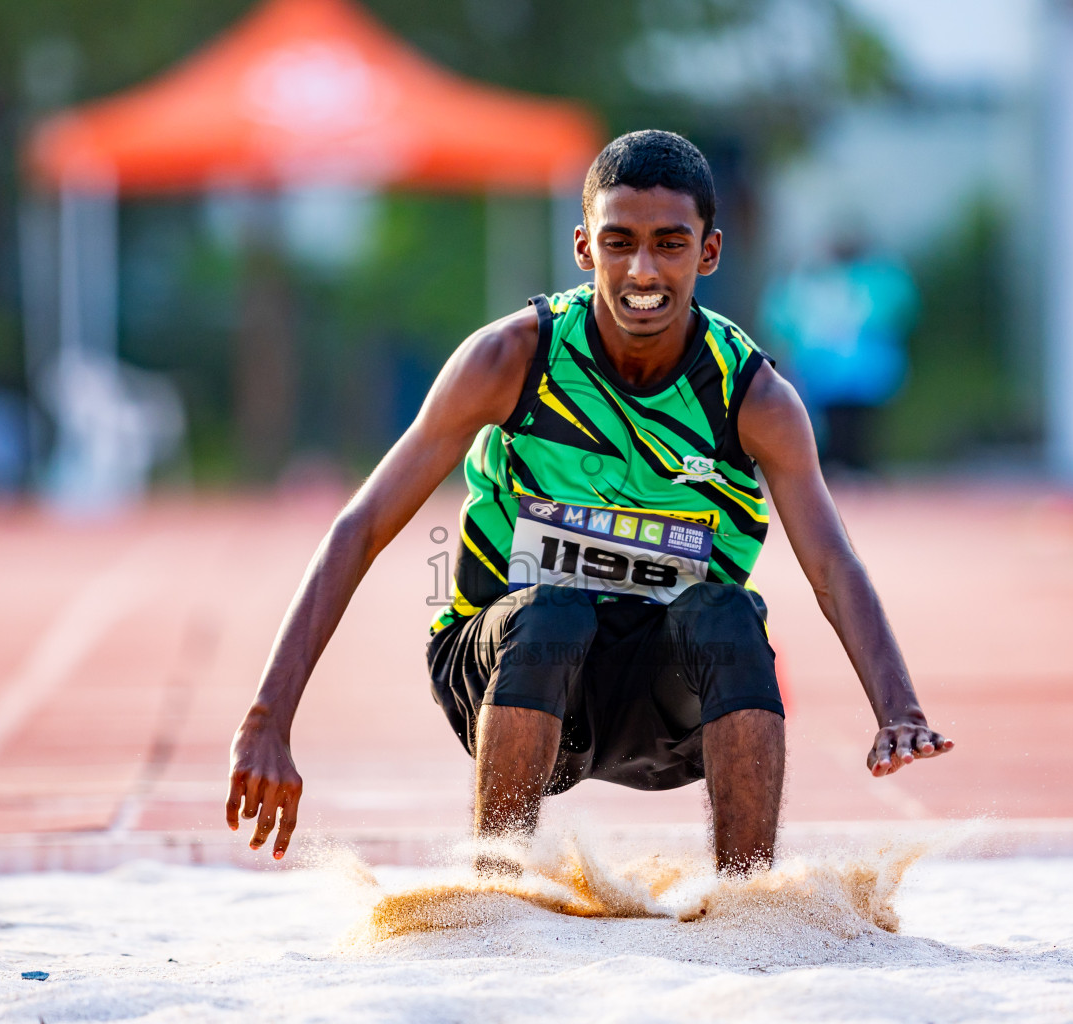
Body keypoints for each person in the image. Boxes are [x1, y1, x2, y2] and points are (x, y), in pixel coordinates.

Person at [225, 131, 952, 873]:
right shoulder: (511, 360)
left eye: (670, 244)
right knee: (555, 609)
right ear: (583, 248)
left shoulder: (754, 397)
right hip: (507, 668)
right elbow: (362, 527)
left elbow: (831, 564)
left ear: (708, 253)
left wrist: (898, 707)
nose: (642, 270)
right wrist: (268, 721)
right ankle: (497, 887)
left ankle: (746, 906)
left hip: (665, 702)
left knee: (730, 614)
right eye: (619, 243)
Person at [761, 237, 918, 474]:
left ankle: (850, 468)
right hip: (829, 374)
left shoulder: (870, 277)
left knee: (854, 428)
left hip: (850, 373)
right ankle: (843, 468)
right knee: (833, 427)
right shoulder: (810, 280)